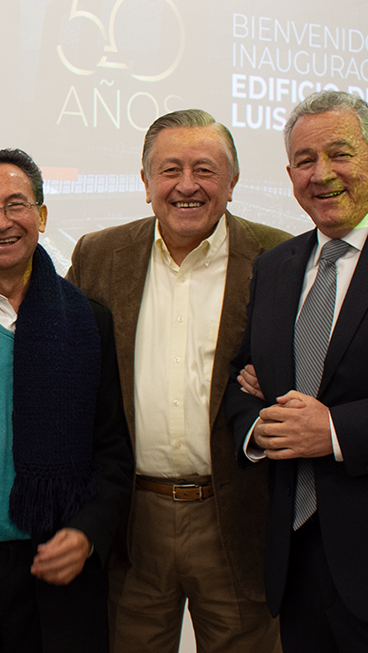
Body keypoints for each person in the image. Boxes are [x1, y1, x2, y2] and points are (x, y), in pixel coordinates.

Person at [66, 109, 288, 652]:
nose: (186, 185)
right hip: (132, 522)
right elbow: (47, 334)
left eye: (205, 170)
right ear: (145, 183)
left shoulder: (280, 257)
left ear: (232, 183)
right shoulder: (99, 256)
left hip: (236, 513)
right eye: (170, 169)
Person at [0, 149, 133, 652]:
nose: (1, 223)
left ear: (40, 215)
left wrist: (87, 532)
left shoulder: (89, 323)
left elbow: (114, 450)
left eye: (16, 205)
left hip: (55, 565)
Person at [227, 90, 368, 651]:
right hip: (297, 559)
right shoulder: (276, 266)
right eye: (306, 161)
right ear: (290, 174)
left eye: (340, 154)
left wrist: (333, 432)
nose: (322, 174)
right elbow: (244, 375)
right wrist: (257, 428)